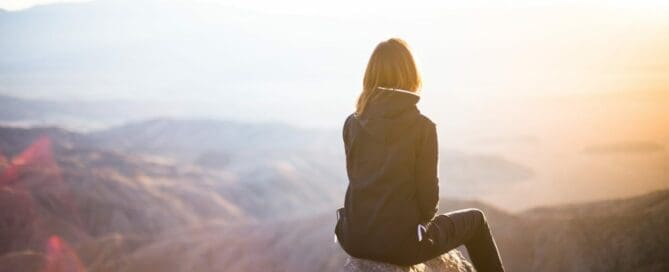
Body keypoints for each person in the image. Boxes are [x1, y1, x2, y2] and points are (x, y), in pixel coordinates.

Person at [334, 38, 505, 272]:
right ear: (410, 75)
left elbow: (359, 181)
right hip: (402, 247)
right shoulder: (422, 128)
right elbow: (428, 201)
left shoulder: (351, 124)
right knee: (477, 220)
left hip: (353, 239)